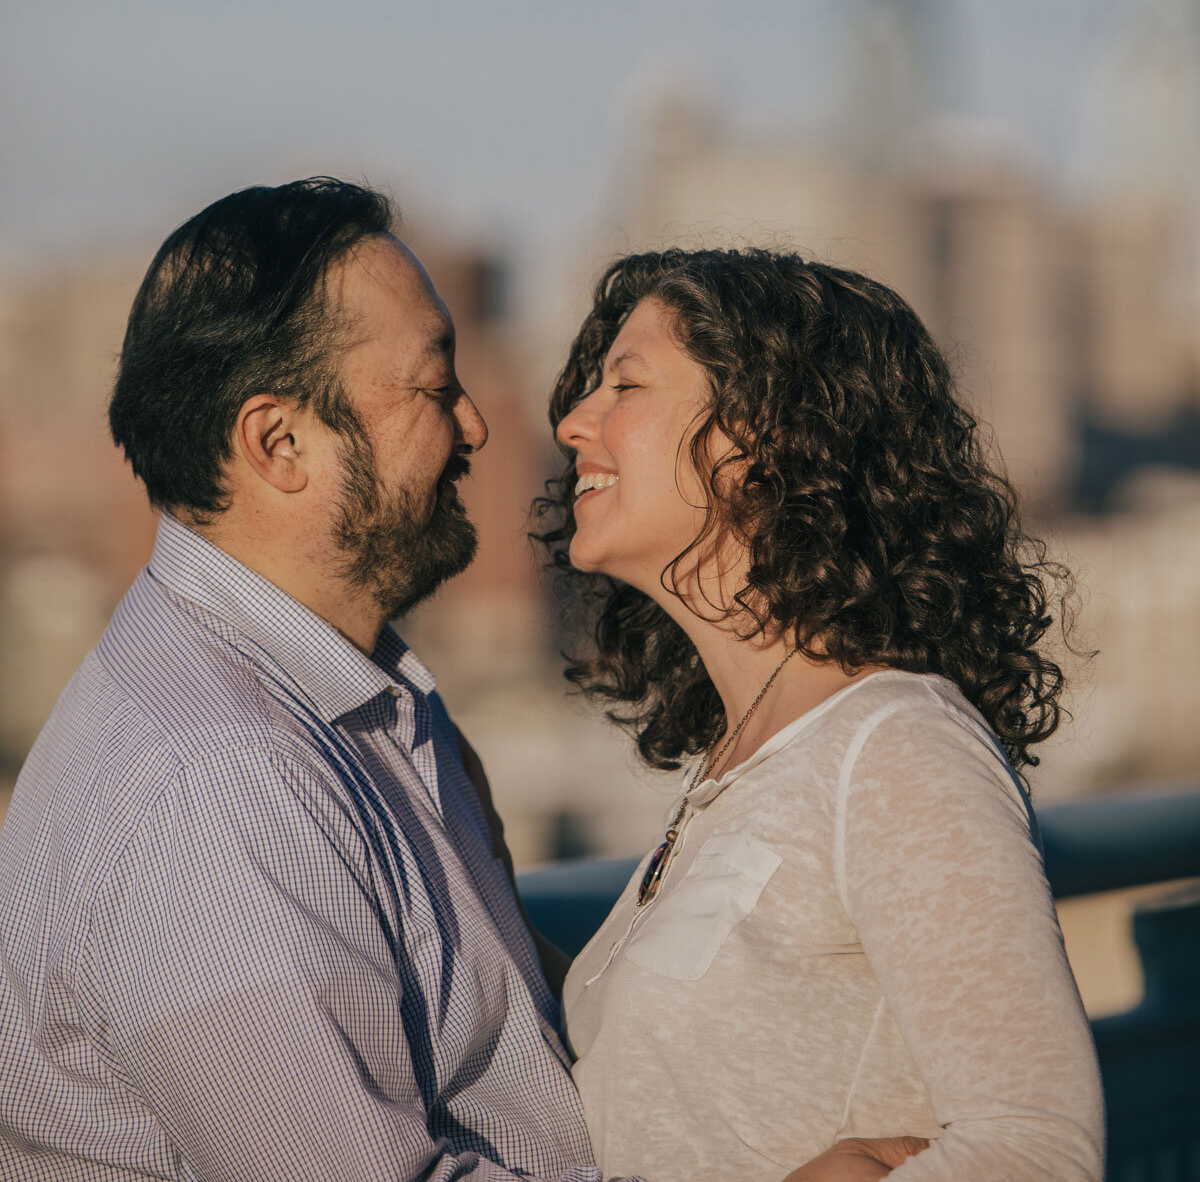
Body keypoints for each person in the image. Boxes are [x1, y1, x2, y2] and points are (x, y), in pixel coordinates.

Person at [0, 180, 919, 1182]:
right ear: (281, 443)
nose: (476, 426)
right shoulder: (222, 783)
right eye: (435, 389)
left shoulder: (350, 708)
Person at [538, 247, 1106, 1182]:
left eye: (624, 386)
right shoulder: (742, 762)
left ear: (757, 437)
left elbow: (1039, 1149)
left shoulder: (896, 748)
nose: (572, 423)